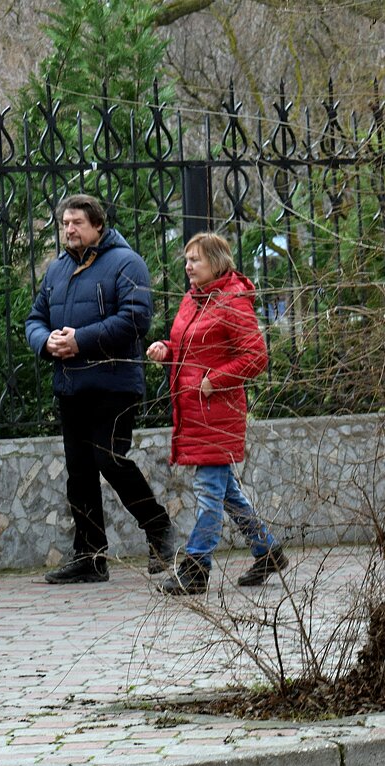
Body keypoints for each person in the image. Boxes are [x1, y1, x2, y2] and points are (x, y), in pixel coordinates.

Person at [25, 194, 175, 584]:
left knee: (110, 459)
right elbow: (35, 317)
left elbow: (135, 320)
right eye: (64, 223)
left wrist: (81, 340)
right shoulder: (57, 269)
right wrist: (45, 342)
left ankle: (157, 528)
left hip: (115, 383)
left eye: (76, 223)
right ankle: (90, 558)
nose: (69, 230)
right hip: (71, 385)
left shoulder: (127, 263)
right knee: (79, 472)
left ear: (97, 225)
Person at [145, 231, 286, 595]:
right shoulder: (193, 300)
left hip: (217, 412)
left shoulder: (233, 301)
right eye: (187, 259)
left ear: (216, 263)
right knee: (226, 492)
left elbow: (256, 357)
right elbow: (189, 344)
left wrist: (215, 379)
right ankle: (267, 550)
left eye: (196, 260)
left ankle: (195, 568)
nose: (188, 266)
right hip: (193, 410)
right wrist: (166, 348)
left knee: (209, 494)